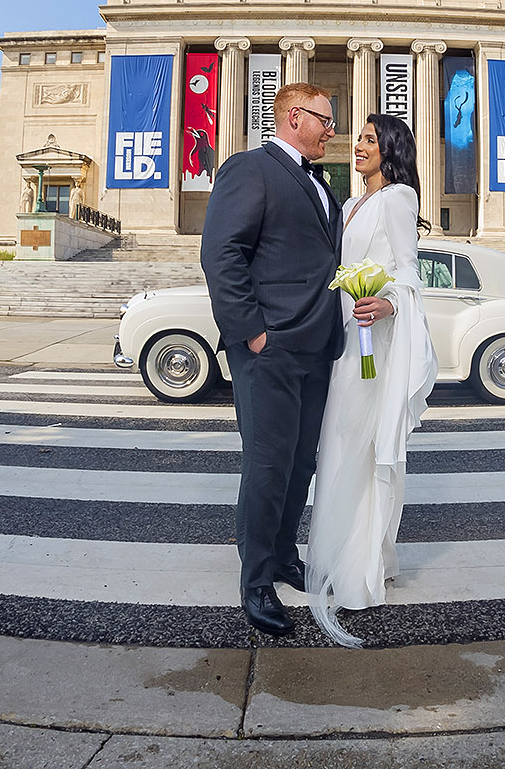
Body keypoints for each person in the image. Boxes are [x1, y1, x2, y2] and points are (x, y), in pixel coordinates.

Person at [200, 81, 344, 637]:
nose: (332, 130)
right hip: (271, 348)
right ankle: (256, 579)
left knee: (300, 462)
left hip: (317, 344)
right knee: (266, 464)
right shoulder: (249, 169)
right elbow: (221, 253)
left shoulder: (321, 184)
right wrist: (252, 333)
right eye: (324, 120)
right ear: (292, 118)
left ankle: (284, 555)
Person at [306, 113, 439, 647]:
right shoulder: (350, 203)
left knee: (364, 446)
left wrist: (388, 301)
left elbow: (409, 270)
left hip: (374, 339)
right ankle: (345, 553)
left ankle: (359, 570)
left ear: (389, 149)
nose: (356, 146)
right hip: (346, 335)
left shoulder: (397, 199)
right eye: (357, 138)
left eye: (367, 139)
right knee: (340, 444)